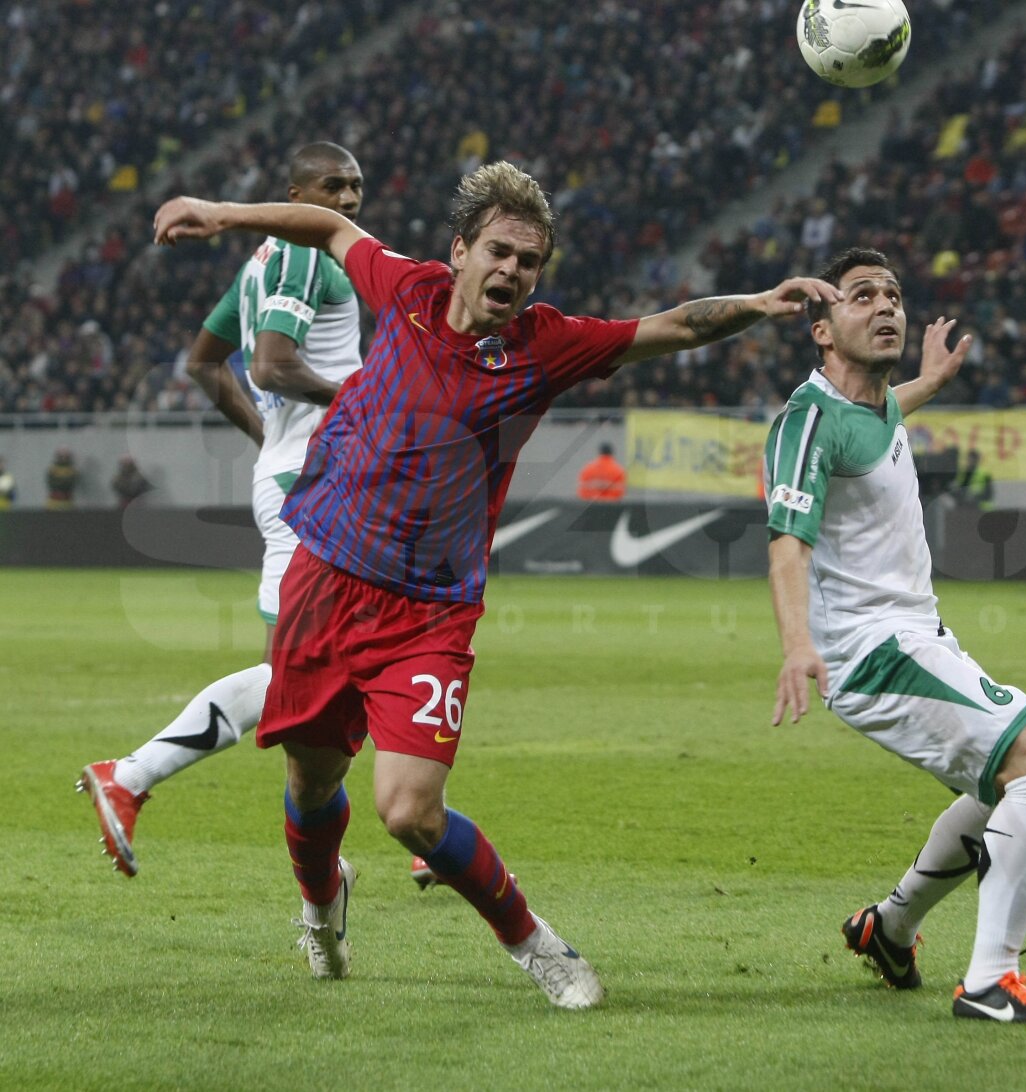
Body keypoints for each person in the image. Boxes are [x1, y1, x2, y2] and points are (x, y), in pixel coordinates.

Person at [150, 160, 843, 1007]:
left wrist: (759, 304)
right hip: (324, 578)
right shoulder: (406, 289)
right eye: (500, 252)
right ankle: (322, 907)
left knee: (408, 811)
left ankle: (537, 945)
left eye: (529, 261)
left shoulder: (546, 344)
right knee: (311, 782)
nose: (513, 271)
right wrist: (220, 213)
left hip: (429, 609)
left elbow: (671, 326)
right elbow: (330, 227)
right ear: (461, 251)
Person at [765, 247, 1026, 1026]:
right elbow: (786, 543)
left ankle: (890, 928)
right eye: (862, 295)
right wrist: (798, 644)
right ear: (822, 330)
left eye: (894, 294)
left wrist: (931, 383)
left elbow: (881, 418)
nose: (886, 306)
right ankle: (990, 983)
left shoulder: (873, 408)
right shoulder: (809, 420)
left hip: (915, 634)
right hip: (873, 651)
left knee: (995, 788)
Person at [78, 143, 366, 877]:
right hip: (320, 486)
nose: (347, 199)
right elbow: (270, 364)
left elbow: (204, 362)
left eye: (355, 187)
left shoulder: (259, 264)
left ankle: (357, 847)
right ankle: (131, 775)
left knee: (319, 673)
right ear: (295, 193)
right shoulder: (305, 254)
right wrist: (365, 401)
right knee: (323, 671)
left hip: (293, 477)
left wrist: (269, 438)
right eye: (332, 185)